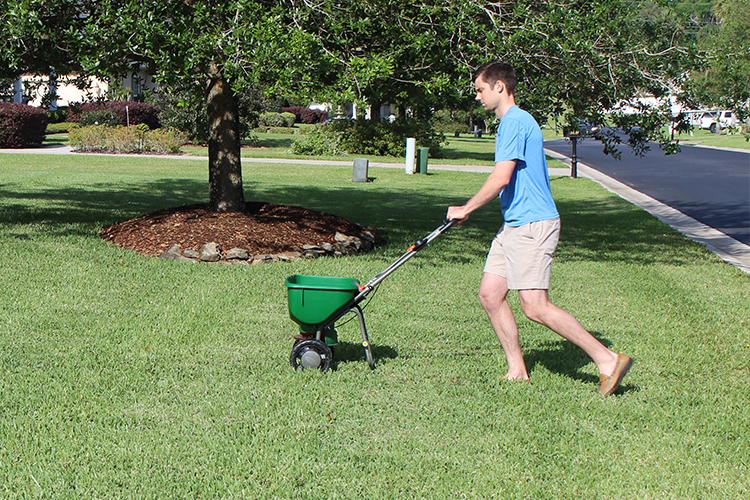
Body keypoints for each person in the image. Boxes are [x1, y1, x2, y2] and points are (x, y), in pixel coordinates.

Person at [447, 61, 632, 395]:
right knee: (491, 294)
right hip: (515, 224)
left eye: (480, 89)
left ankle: (607, 360)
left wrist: (467, 208)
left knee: (535, 305)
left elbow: (502, 176)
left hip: (533, 224)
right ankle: (517, 370)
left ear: (499, 86)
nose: (477, 97)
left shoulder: (515, 122)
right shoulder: (510, 123)